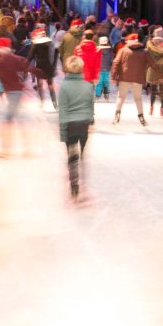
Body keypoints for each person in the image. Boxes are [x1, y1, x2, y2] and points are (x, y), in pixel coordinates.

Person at [58, 56, 95, 203]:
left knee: (72, 157)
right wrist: (91, 120)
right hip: (84, 124)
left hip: (70, 125)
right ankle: (82, 180)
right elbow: (91, 105)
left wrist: (62, 132)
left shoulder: (64, 87)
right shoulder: (88, 86)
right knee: (82, 155)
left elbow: (63, 110)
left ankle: (74, 185)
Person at [111, 33, 156, 126]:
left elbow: (116, 62)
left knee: (121, 97)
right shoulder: (145, 51)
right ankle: (141, 117)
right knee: (138, 98)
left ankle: (117, 115)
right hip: (138, 78)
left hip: (124, 77)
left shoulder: (123, 50)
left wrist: (113, 76)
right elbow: (153, 64)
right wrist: (161, 75)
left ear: (128, 41)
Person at [27, 29, 57, 109]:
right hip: (49, 66)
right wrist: (54, 66)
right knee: (50, 84)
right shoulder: (51, 42)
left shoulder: (36, 44)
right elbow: (56, 54)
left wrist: (26, 63)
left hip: (40, 65)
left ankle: (42, 102)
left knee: (40, 84)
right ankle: (54, 102)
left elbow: (31, 56)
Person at [95, 36, 114, 100]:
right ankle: (106, 94)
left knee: (99, 83)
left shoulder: (97, 50)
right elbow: (112, 60)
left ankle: (97, 95)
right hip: (107, 69)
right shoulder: (110, 51)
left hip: (99, 69)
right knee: (106, 82)